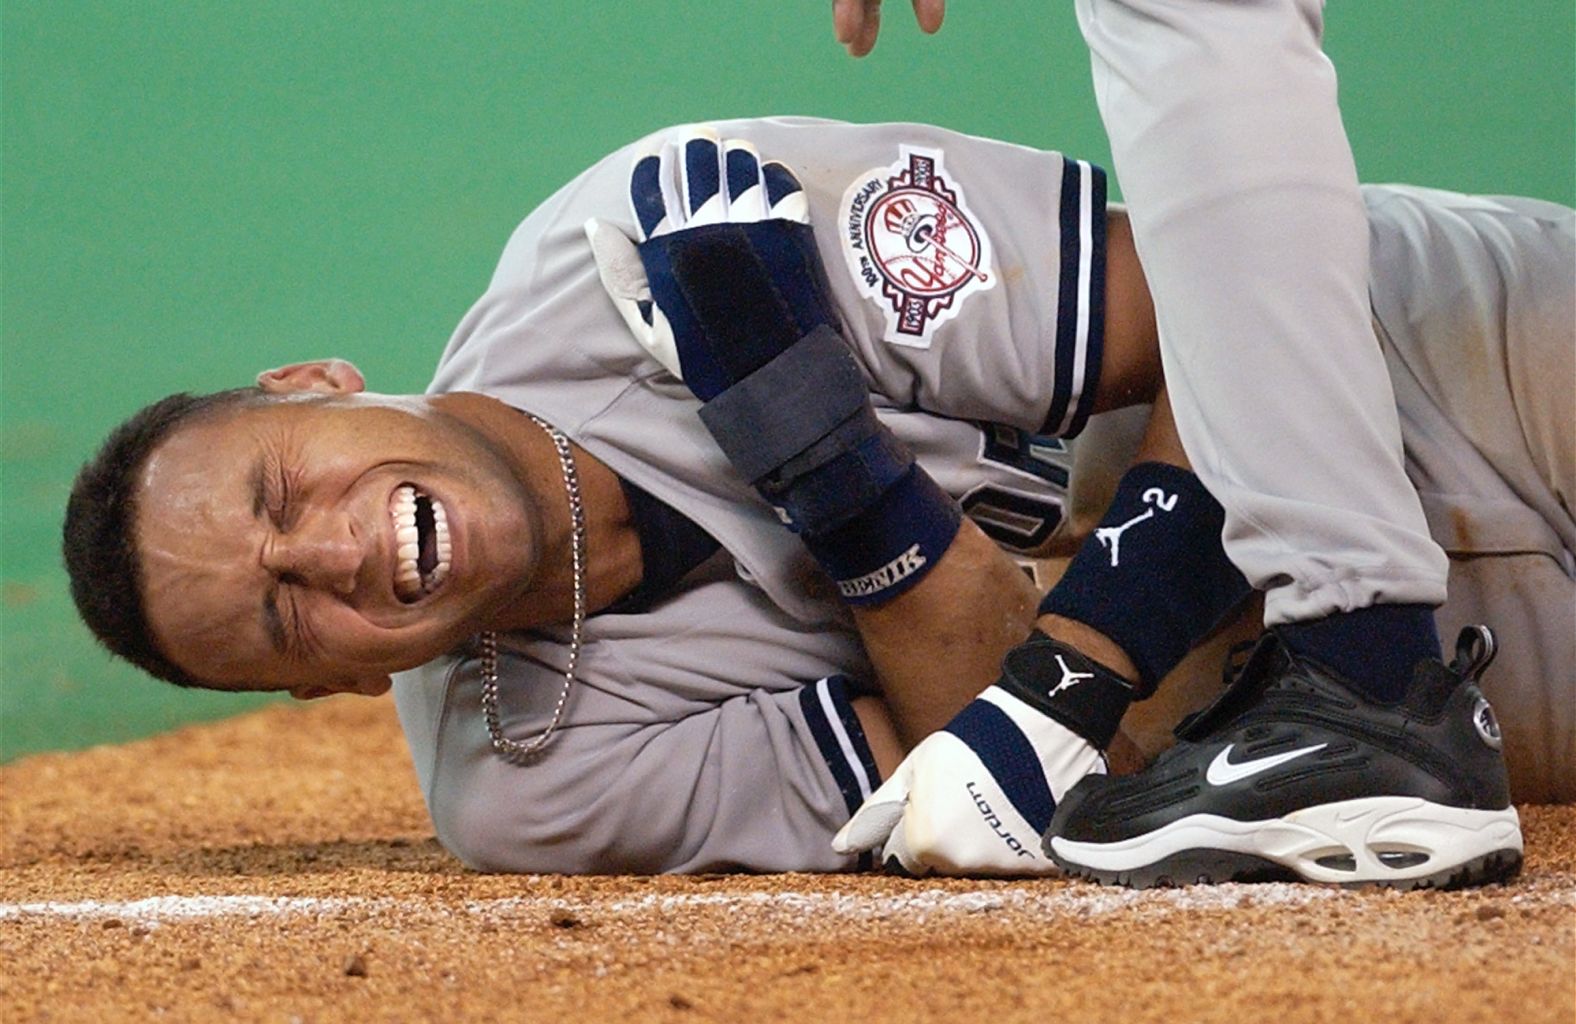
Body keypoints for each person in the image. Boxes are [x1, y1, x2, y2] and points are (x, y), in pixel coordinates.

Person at [63, 119, 1570, 882]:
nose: (331, 552)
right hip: (1389, 672)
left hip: (1453, 352)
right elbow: (1027, 771)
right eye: (282, 617)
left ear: (320, 385)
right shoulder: (533, 785)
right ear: (327, 692)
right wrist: (831, 470)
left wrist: (1024, 661)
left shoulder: (644, 240)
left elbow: (1233, 303)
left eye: (281, 489)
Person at [827, 0, 1559, 885]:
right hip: (1408, 669)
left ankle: (1359, 669)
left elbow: (1197, 310)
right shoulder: (610, 734)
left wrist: (1063, 680)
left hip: (1479, 371)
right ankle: (1358, 673)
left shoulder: (692, 238)